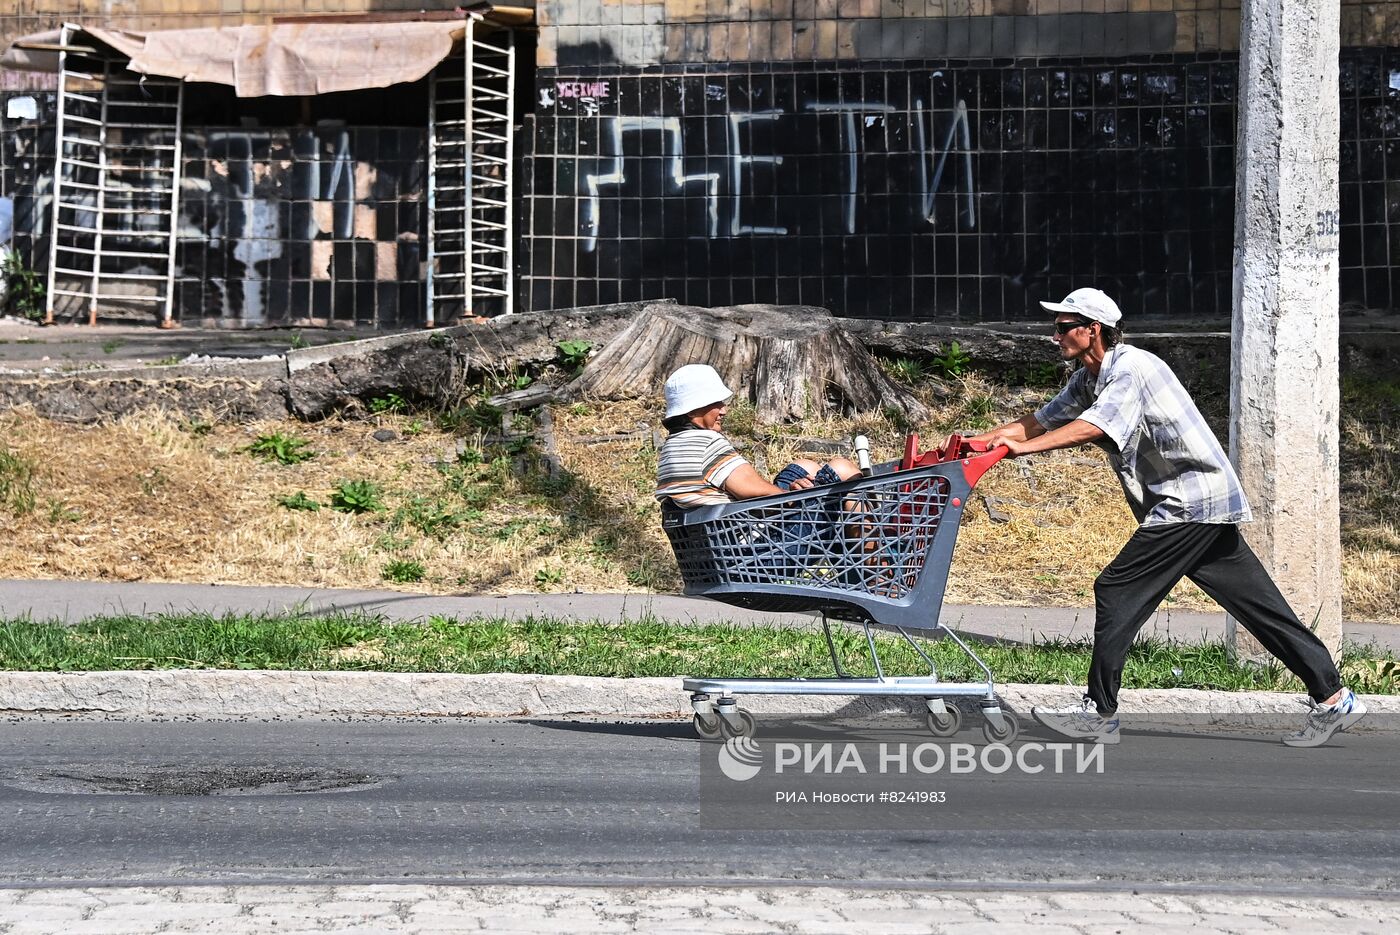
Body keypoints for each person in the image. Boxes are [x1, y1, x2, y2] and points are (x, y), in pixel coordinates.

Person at [970, 287, 1365, 748]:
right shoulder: (1088, 378)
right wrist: (978, 444)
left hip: (1188, 502)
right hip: (1199, 503)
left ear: (1092, 330)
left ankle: (1099, 712)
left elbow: (1094, 427)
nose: (1053, 335)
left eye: (1062, 327)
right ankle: (1333, 697)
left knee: (1116, 587)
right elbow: (1038, 422)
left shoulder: (1131, 369)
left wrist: (1022, 450)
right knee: (1258, 605)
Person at [653, 363, 860, 508]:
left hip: (719, 544)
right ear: (691, 410)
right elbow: (761, 495)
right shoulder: (706, 443)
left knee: (805, 467)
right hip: (757, 551)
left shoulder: (671, 448)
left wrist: (792, 490)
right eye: (715, 403)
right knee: (842, 470)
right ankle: (876, 567)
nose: (723, 411)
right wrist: (791, 498)